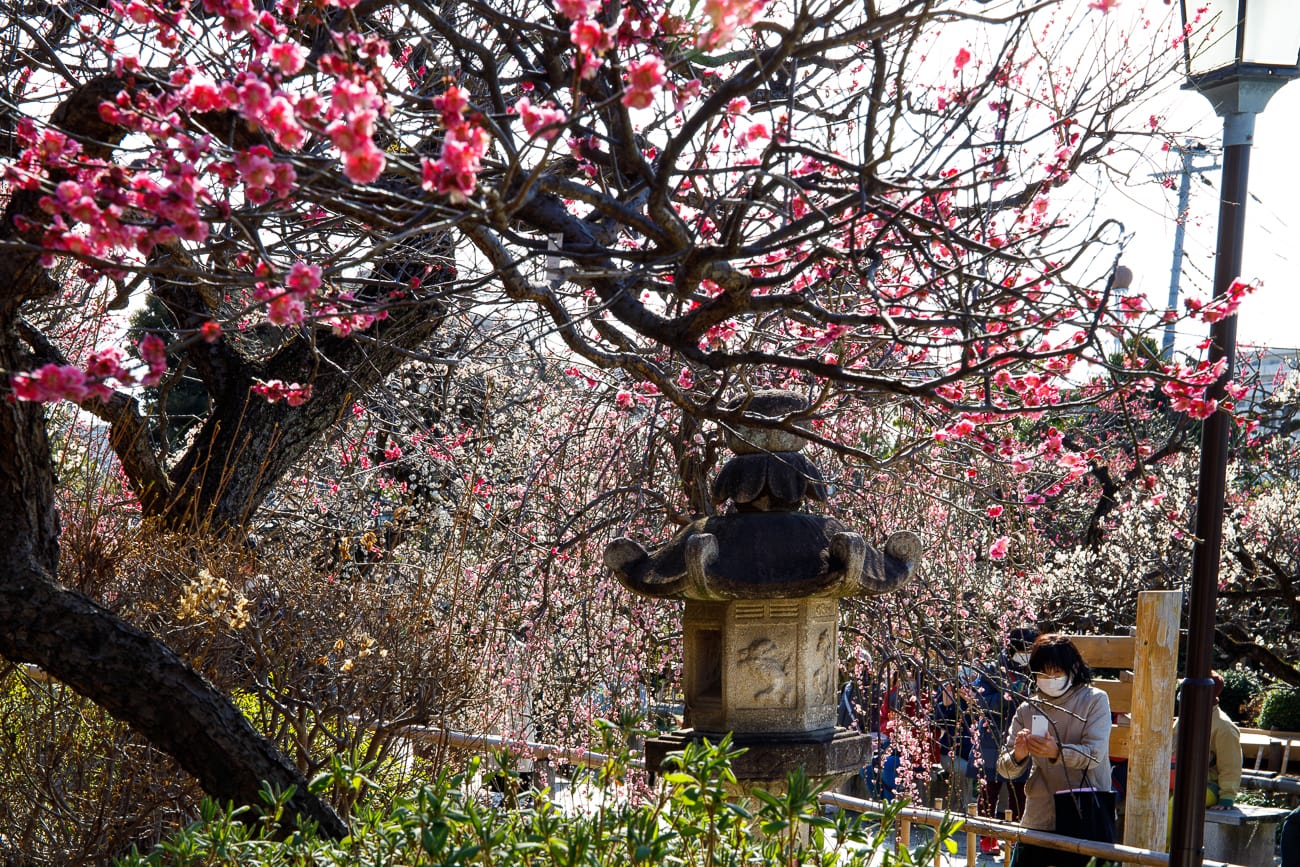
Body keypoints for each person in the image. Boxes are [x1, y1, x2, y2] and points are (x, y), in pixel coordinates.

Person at [997, 634, 1113, 867]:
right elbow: (1004, 769)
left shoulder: (1094, 700)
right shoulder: (1027, 708)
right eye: (1042, 673)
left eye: (1056, 672)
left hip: (1085, 813)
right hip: (1039, 814)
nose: (1049, 679)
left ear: (1074, 668)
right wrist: (1018, 756)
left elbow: (1094, 754)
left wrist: (1057, 752)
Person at [1170, 671, 1242, 811]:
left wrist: (1227, 797)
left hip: (1206, 786)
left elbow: (1230, 765)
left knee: (1174, 810)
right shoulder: (1183, 718)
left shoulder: (1224, 727)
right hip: (1175, 782)